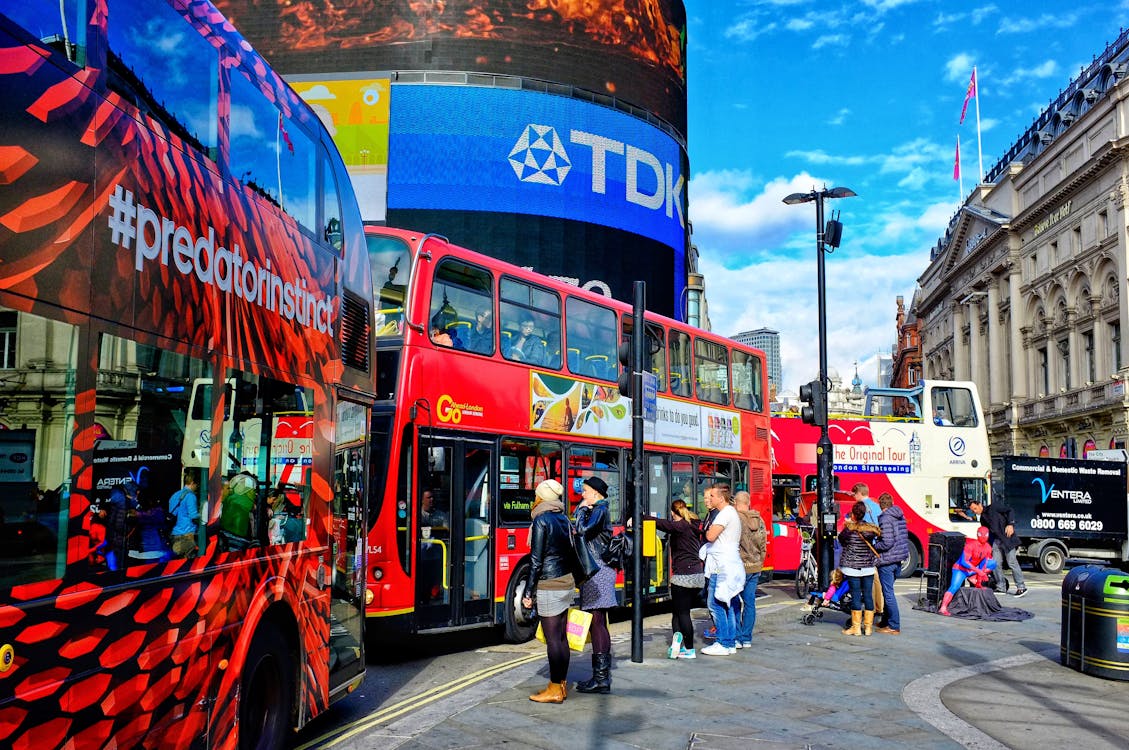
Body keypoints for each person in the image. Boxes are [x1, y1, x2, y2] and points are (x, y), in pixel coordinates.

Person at [522, 479, 577, 704]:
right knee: (562, 638)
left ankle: (555, 688)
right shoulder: (563, 517)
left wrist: (528, 592)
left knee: (553, 639)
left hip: (549, 584)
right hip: (566, 581)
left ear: (541, 496)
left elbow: (536, 561)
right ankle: (561, 684)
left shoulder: (541, 520)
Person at [644, 499, 704, 659]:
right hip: (698, 575)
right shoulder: (693, 524)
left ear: (672, 513)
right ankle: (677, 643)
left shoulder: (680, 526)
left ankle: (689, 649)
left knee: (681, 614)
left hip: (683, 577)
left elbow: (663, 524)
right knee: (679, 612)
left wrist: (642, 517)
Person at [573, 476, 616, 693]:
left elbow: (581, 531)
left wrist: (581, 510)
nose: (583, 494)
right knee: (598, 621)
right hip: (600, 569)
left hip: (597, 569)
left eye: (586, 491)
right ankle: (601, 677)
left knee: (596, 621)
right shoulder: (598, 509)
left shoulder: (598, 510)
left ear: (596, 494)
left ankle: (601, 679)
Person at [700, 483, 744, 656]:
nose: (709, 499)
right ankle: (731, 641)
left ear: (721, 497)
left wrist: (709, 530)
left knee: (715, 603)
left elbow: (709, 535)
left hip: (721, 565)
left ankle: (723, 642)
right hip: (730, 563)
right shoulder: (732, 513)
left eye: (712, 496)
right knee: (730, 604)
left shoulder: (724, 514)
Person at [967, 497, 1027, 597]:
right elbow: (987, 534)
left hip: (1007, 538)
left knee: (1012, 562)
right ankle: (1001, 586)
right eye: (973, 510)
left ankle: (1021, 587)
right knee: (995, 563)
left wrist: (1010, 524)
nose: (974, 511)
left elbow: (1010, 510)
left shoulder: (994, 507)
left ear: (980, 504)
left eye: (975, 509)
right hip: (996, 541)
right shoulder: (982, 518)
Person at [837, 500, 881, 636]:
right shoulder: (871, 530)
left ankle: (856, 628)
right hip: (868, 567)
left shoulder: (848, 530)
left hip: (852, 567)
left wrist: (849, 522)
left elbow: (841, 540)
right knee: (868, 595)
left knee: (856, 595)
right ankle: (868, 628)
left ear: (854, 515)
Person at [734, 490, 767, 649]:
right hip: (754, 567)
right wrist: (759, 562)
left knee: (733, 602)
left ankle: (737, 637)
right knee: (749, 603)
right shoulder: (759, 519)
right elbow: (763, 545)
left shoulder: (737, 519)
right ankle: (746, 638)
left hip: (739, 567)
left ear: (736, 503)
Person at [939, 527, 998, 615]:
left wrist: (980, 577)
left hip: (973, 569)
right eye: (980, 534)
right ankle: (943, 607)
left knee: (992, 563)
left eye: (985, 535)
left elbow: (984, 562)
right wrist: (978, 571)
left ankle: (973, 578)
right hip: (960, 569)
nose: (983, 537)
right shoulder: (970, 545)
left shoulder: (988, 548)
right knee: (954, 586)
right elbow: (964, 562)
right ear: (977, 534)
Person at [873, 492, 908, 634]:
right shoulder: (900, 516)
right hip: (898, 559)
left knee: (888, 593)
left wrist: (876, 546)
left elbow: (887, 542)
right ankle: (886, 621)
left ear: (881, 505)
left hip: (887, 559)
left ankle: (894, 625)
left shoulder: (886, 518)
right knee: (887, 591)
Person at [169, 468, 201, 558]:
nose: (197, 487)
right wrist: (204, 515)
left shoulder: (175, 495)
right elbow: (193, 515)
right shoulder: (191, 496)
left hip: (175, 535)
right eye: (197, 484)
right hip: (187, 535)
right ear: (192, 483)